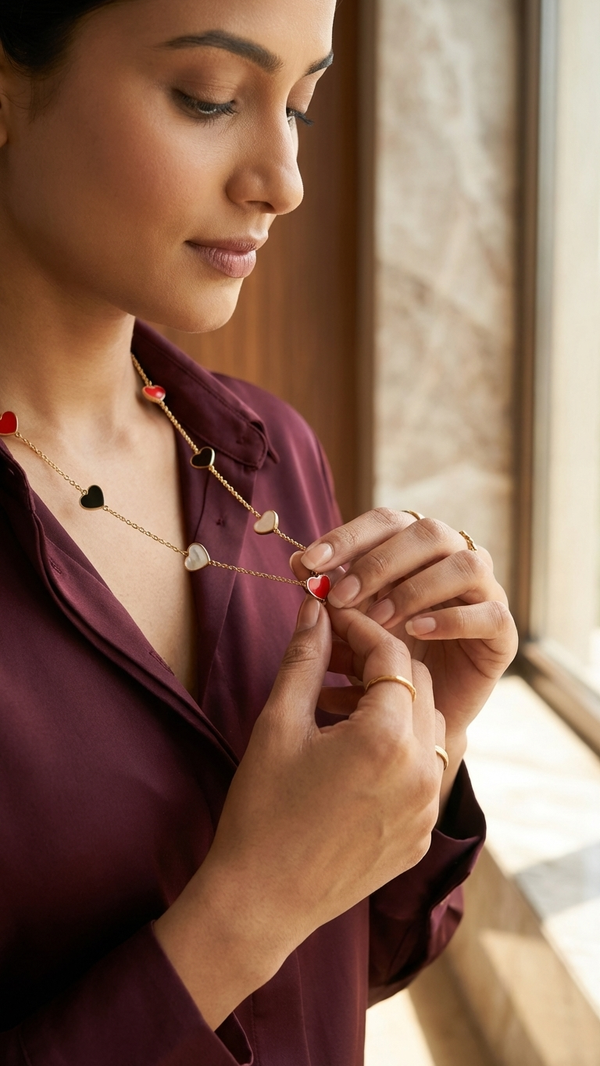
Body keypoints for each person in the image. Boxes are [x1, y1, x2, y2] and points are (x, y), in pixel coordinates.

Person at [0, 1, 518, 1063]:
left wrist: (422, 746)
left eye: (300, 108)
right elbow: (272, 927)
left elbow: (337, 975)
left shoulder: (270, 453)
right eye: (209, 98)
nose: (283, 182)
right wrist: (247, 910)